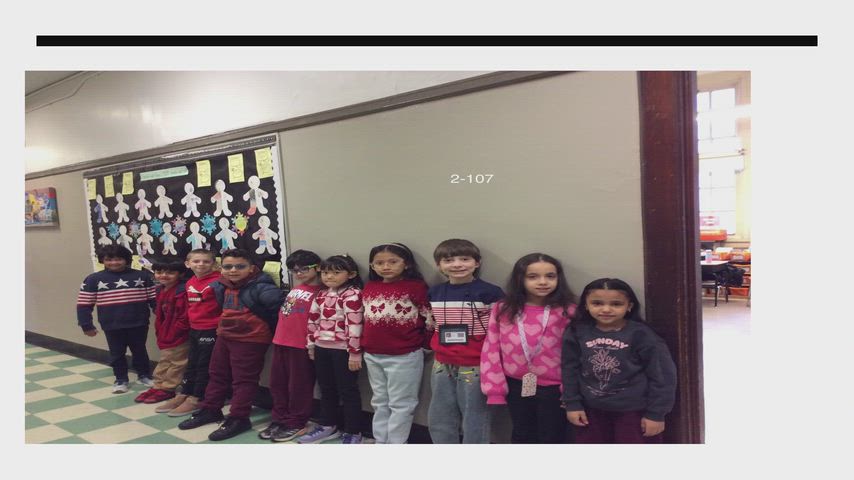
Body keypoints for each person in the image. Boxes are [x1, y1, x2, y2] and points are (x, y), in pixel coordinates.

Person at [178, 249, 283, 441]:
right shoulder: (221, 285)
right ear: (221, 268)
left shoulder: (263, 287)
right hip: (225, 335)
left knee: (243, 380)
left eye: (240, 266)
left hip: (251, 339)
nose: (233, 270)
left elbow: (278, 311)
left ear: (252, 268)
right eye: (228, 266)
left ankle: (239, 417)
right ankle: (211, 409)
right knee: (216, 374)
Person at [561, 278, 677, 443]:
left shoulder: (642, 335)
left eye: (616, 304)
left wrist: (656, 414)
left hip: (633, 411)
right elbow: (569, 369)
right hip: (590, 411)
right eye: (597, 303)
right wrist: (572, 404)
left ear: (629, 306)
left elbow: (662, 376)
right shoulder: (576, 331)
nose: (606, 309)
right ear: (586, 305)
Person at [480, 253, 577, 443]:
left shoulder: (568, 311)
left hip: (556, 389)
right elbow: (491, 348)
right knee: (522, 433)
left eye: (550, 276)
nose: (543, 282)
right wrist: (495, 390)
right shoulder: (503, 309)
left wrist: (571, 390)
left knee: (552, 436)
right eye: (533, 277)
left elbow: (576, 355)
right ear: (520, 279)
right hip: (516, 385)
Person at [426, 239, 504, 443]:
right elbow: (433, 323)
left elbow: (500, 329)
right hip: (442, 361)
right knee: (440, 413)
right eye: (449, 260)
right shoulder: (435, 292)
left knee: (475, 414)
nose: (457, 264)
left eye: (465, 259)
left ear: (477, 263)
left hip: (477, 363)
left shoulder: (490, 292)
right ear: (439, 266)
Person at [361, 243, 432, 444]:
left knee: (402, 404)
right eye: (379, 263)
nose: (386, 266)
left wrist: (425, 346)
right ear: (372, 266)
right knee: (379, 401)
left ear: (406, 264)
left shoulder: (415, 288)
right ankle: (380, 440)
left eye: (393, 261)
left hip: (404, 356)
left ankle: (396, 443)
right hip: (373, 354)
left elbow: (430, 319)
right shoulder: (370, 287)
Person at [258, 249, 323, 443]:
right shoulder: (296, 288)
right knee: (278, 384)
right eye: (294, 270)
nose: (299, 273)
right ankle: (279, 418)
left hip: (301, 345)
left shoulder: (321, 293)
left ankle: (296, 421)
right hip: (281, 341)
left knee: (299, 386)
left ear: (317, 268)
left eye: (304, 269)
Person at [299, 255, 365, 444]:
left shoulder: (353, 295)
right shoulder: (321, 294)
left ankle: (354, 431)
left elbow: (355, 325)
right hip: (321, 348)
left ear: (351, 274)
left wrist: (354, 352)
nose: (329, 277)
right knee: (326, 388)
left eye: (336, 273)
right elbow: (313, 320)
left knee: (348, 391)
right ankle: (328, 425)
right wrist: (311, 345)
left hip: (343, 350)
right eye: (326, 272)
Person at [76, 245, 157, 393]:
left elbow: (154, 299)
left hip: (138, 322)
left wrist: (163, 317)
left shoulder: (142, 276)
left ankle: (144, 375)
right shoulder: (93, 279)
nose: (114, 262)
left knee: (140, 350)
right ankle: (121, 379)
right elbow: (84, 304)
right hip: (111, 324)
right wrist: (86, 325)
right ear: (102, 260)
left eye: (118, 259)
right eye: (109, 259)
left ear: (126, 259)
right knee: (117, 353)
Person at [157, 248, 222, 416]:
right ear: (188, 264)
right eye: (196, 261)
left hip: (211, 329)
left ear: (214, 264)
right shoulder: (190, 282)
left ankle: (198, 398)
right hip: (195, 328)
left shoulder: (218, 281)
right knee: (191, 363)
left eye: (206, 261)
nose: (201, 264)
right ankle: (185, 393)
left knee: (203, 365)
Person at [135, 257, 191, 405]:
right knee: (165, 359)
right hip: (165, 332)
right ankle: (158, 385)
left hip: (179, 334)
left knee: (177, 362)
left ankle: (168, 388)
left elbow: (184, 316)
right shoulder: (159, 289)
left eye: (170, 272)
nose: (164, 275)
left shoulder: (182, 291)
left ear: (180, 274)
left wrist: (176, 331)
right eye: (159, 272)